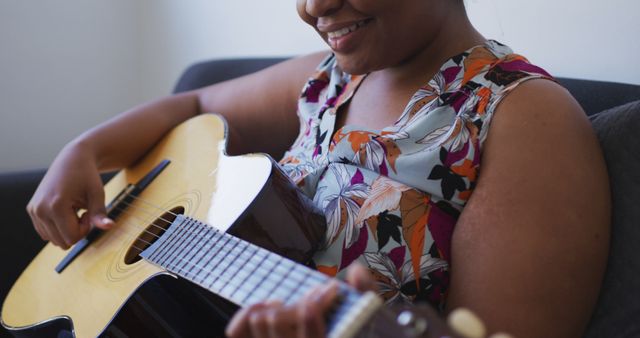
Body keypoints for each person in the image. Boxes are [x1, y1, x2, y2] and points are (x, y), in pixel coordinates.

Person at [27, 0, 611, 337]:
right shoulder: (329, 78)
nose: (312, 7)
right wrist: (85, 149)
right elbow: (197, 106)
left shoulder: (518, 115)